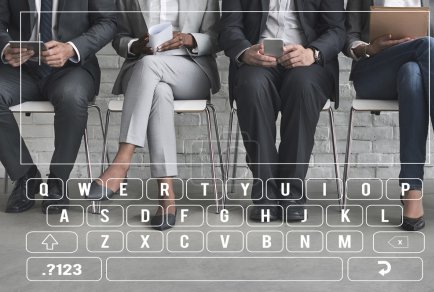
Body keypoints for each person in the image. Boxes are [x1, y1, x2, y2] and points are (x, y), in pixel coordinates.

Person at [88, 0, 220, 231]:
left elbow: (217, 36)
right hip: (143, 70)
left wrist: (190, 39)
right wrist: (134, 46)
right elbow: (119, 38)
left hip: (191, 67)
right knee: (159, 90)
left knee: (150, 67)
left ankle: (122, 161)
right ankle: (166, 197)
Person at [219, 0, 345, 222]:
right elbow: (229, 27)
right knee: (252, 87)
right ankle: (265, 193)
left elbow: (336, 30)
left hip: (307, 61)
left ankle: (291, 194)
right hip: (258, 60)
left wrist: (313, 53)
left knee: (302, 87)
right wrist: (244, 51)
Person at [0, 0, 117, 214]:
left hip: (72, 67)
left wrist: (72, 48)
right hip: (22, 69)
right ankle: (25, 175)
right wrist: (6, 47)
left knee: (72, 96)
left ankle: (58, 180)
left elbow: (108, 21)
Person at [345, 0, 434, 231]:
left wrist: (425, 55)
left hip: (418, 73)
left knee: (413, 73)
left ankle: (412, 191)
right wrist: (370, 48)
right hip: (374, 72)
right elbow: (348, 36)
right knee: (429, 46)